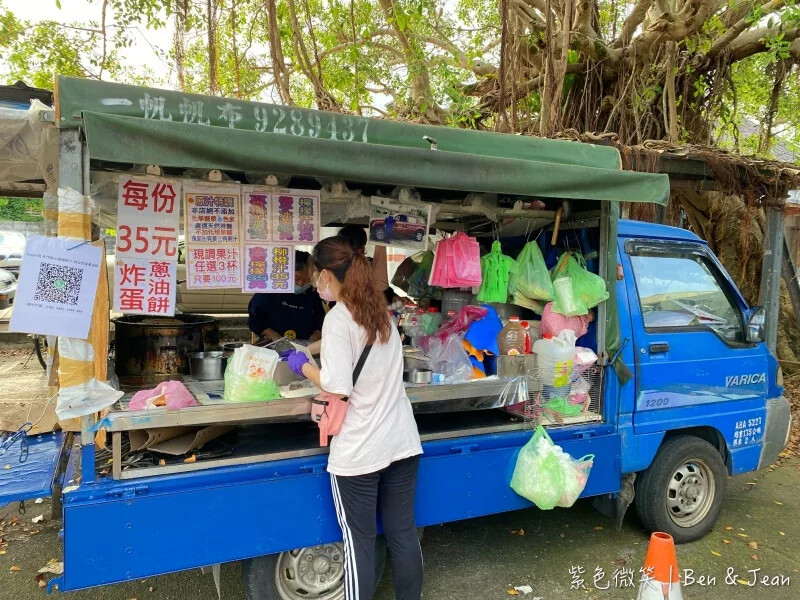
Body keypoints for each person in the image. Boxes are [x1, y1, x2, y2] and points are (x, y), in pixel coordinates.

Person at [286, 236, 423, 600]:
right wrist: (310, 348)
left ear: (328, 275)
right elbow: (353, 343)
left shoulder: (337, 319)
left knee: (359, 542)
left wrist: (302, 366)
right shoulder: (380, 312)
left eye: (317, 276)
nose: (316, 284)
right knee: (403, 534)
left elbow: (336, 384)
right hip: (403, 444)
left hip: (361, 451)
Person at [247, 250, 324, 342]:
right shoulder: (270, 290)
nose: (301, 284)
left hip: (305, 347)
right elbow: (256, 318)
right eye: (296, 279)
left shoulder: (313, 293)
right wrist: (275, 337)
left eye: (307, 280)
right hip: (272, 344)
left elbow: (319, 319)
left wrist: (314, 337)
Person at [338, 224, 401, 306]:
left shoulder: (370, 264)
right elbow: (381, 287)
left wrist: (393, 297)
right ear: (363, 248)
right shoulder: (338, 270)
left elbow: (383, 289)